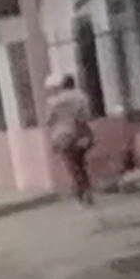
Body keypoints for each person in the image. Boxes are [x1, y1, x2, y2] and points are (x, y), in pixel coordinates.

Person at [47, 66, 99, 205]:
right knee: (80, 163)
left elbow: (49, 120)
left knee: (71, 166)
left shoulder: (54, 101)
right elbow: (86, 116)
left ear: (62, 86)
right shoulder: (82, 97)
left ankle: (80, 192)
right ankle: (87, 190)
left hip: (62, 136)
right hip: (80, 134)